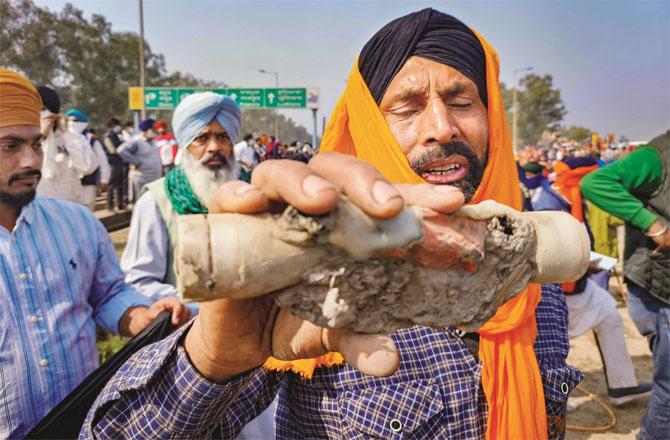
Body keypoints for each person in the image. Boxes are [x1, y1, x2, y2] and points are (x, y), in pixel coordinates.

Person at [83, 9, 582, 439]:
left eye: (462, 102)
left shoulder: (534, 270)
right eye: (406, 107)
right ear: (368, 124)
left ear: (491, 116)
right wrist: (212, 360)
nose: (441, 128)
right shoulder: (311, 283)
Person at [0, 69, 192, 439]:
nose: (31, 161)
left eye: (36, 145)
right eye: (10, 147)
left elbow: (108, 294)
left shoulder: (77, 224)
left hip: (86, 426)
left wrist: (141, 314)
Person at [523, 157, 651, 406]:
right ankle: (549, 398)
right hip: (552, 290)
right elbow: (551, 251)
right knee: (550, 344)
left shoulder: (568, 197)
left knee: (609, 315)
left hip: (578, 286)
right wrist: (588, 263)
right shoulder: (551, 203)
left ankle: (622, 386)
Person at [581, 130, 669, 440]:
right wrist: (653, 224)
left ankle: (621, 385)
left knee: (607, 315)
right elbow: (595, 185)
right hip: (654, 287)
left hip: (604, 269)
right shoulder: (655, 157)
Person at [121, 93, 241, 303]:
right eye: (202, 139)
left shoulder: (253, 191)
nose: (214, 147)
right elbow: (139, 281)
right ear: (186, 146)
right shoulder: (156, 200)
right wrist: (198, 308)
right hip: (187, 325)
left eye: (222, 137)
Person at [34, 86, 98, 205]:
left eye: (43, 109)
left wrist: (67, 134)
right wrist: (40, 137)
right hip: (37, 208)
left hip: (68, 207)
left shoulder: (71, 135)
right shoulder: (26, 136)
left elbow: (88, 166)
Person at [65, 108, 111, 210]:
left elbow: (102, 160)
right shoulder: (62, 137)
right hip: (68, 183)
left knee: (86, 210)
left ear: (82, 123)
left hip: (87, 183)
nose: (71, 123)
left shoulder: (91, 139)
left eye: (75, 121)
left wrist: (104, 179)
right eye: (68, 120)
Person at [117, 118, 162, 203]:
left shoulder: (153, 141)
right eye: (153, 129)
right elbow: (121, 150)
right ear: (147, 130)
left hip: (154, 178)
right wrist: (135, 162)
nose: (156, 131)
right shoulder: (136, 141)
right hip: (142, 178)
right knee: (141, 203)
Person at [102, 118, 129, 211]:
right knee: (112, 185)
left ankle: (121, 204)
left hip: (120, 162)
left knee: (121, 184)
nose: (119, 127)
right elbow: (112, 150)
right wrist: (122, 151)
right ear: (112, 126)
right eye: (118, 125)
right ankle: (110, 206)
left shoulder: (118, 135)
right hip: (112, 163)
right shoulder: (108, 136)